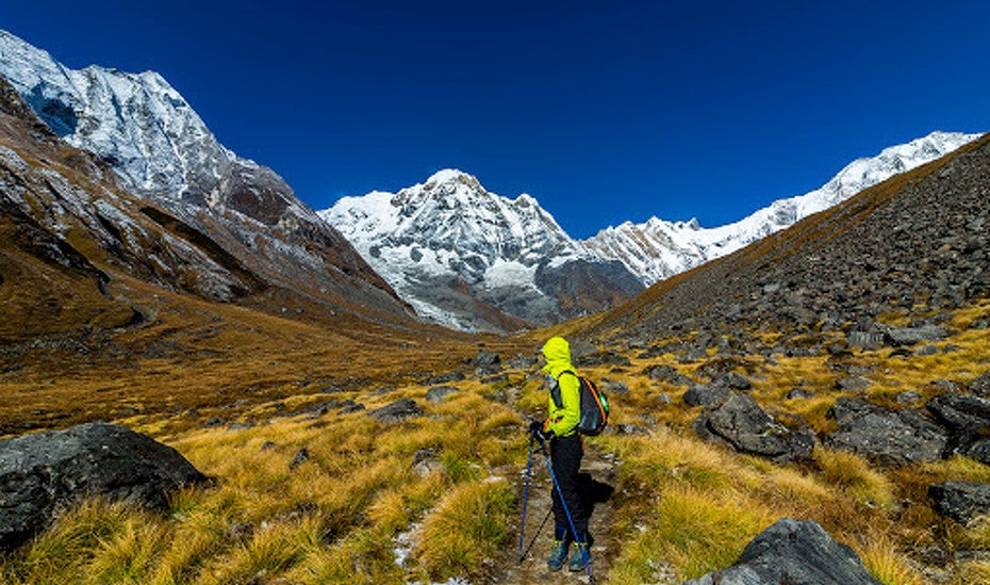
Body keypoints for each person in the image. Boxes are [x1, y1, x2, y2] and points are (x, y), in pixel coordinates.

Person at [528, 336, 590, 572]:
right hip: (561, 442)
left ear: (554, 354)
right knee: (559, 492)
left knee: (567, 493)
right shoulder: (558, 375)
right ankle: (561, 540)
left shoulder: (565, 377)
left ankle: (582, 544)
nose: (543, 356)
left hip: (568, 443)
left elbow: (572, 416)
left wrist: (549, 429)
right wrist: (544, 426)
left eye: (546, 353)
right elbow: (560, 412)